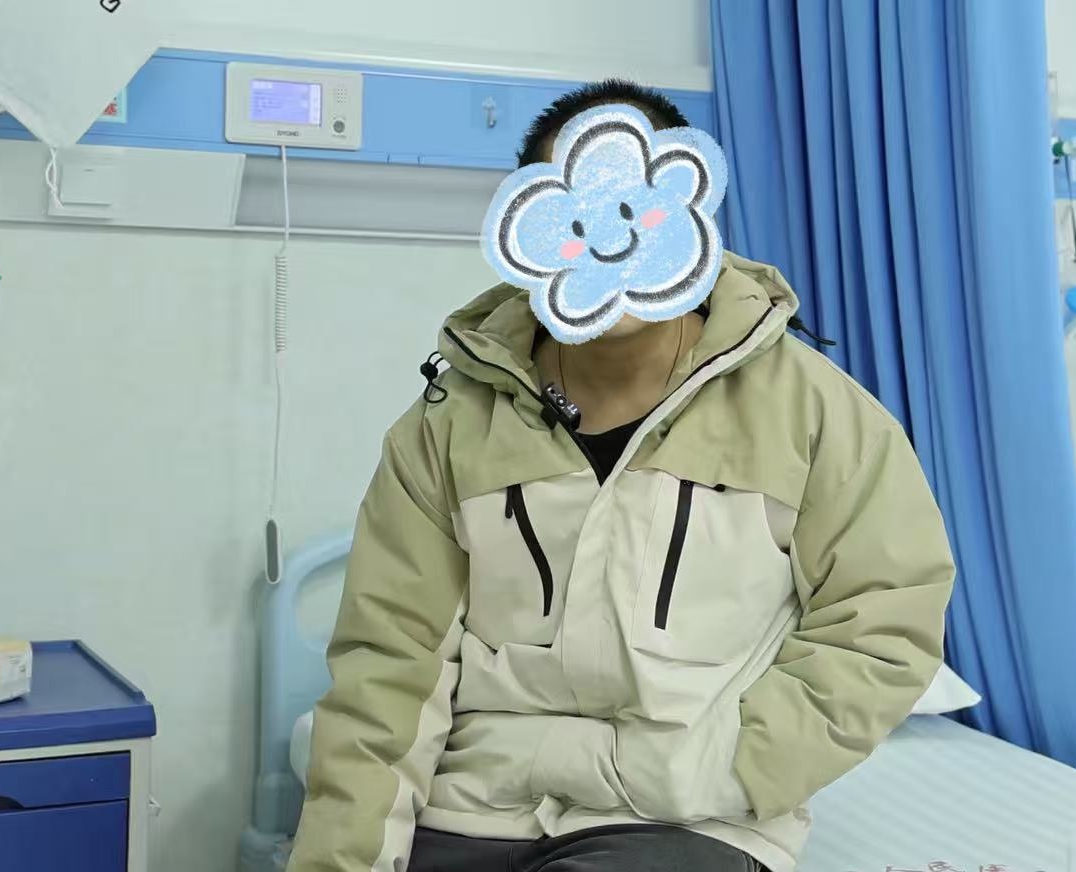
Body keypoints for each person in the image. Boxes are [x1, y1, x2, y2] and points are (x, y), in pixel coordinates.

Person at [287, 79, 956, 872]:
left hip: (682, 818)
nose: (609, 236)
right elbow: (390, 663)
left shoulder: (814, 414)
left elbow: (883, 620)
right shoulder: (447, 426)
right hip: (473, 806)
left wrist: (739, 766)